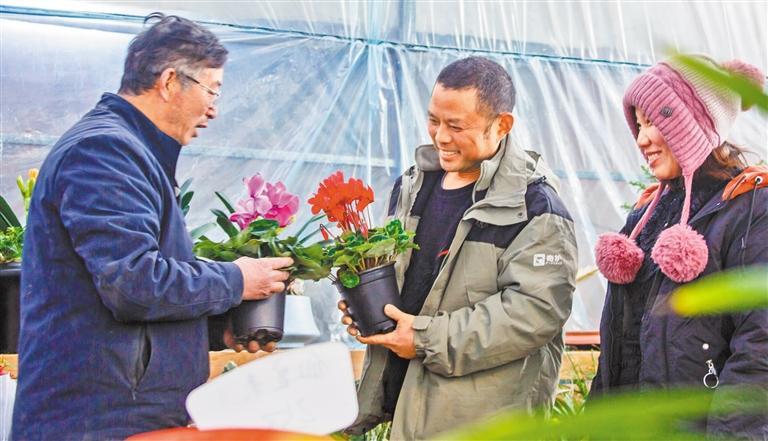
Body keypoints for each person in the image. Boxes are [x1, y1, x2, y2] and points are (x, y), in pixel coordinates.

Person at [12, 14, 292, 439]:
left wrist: (215, 326)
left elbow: (116, 295)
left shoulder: (132, 152)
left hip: (118, 414)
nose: (214, 109)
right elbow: (133, 284)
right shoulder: (105, 151)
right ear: (169, 82)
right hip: (98, 421)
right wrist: (237, 281)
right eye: (212, 90)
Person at [340, 56, 578, 440]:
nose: (440, 137)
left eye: (456, 125)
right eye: (433, 120)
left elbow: (535, 312)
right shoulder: (413, 186)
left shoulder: (533, 207)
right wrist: (368, 311)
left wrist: (423, 338)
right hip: (408, 413)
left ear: (502, 125)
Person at [592, 55, 768, 438]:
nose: (641, 139)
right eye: (638, 125)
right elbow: (616, 348)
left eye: (653, 122)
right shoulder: (644, 217)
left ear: (689, 124)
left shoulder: (751, 210)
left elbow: (759, 350)